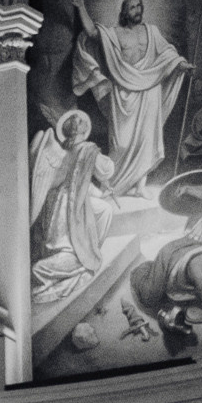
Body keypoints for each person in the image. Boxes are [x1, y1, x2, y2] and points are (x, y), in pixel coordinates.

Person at [70, 0, 188, 196]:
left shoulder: (151, 31)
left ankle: (140, 188)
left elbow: (167, 52)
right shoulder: (114, 33)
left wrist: (181, 64)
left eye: (139, 6)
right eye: (132, 7)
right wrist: (81, 7)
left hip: (150, 88)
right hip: (124, 89)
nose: (137, 10)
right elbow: (90, 33)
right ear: (124, 12)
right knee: (121, 142)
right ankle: (112, 184)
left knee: (147, 140)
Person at [29, 109, 119, 307]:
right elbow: (105, 170)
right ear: (83, 130)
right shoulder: (88, 149)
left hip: (63, 199)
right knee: (75, 251)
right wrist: (104, 170)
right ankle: (82, 252)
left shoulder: (63, 149)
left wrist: (100, 192)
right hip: (70, 204)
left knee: (104, 210)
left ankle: (88, 247)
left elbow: (81, 180)